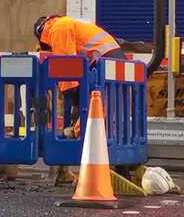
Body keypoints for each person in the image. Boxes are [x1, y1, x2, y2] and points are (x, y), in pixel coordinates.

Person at [33, 14, 126, 184]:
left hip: (105, 62)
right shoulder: (69, 24)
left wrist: (73, 97)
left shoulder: (57, 28)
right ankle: (122, 168)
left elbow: (66, 66)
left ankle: (89, 166)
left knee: (94, 116)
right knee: (109, 114)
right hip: (111, 61)